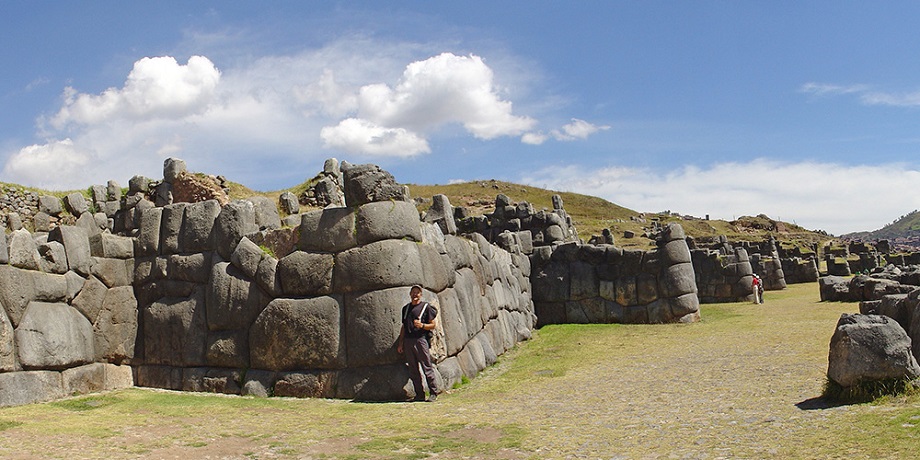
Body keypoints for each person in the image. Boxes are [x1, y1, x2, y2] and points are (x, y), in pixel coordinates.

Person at [397, 285, 442, 402]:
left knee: (426, 367)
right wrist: (401, 343)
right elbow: (404, 327)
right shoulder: (406, 309)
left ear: (421, 294)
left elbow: (433, 325)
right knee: (413, 369)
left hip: (420, 340)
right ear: (410, 294)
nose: (415, 294)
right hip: (408, 341)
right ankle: (419, 395)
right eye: (413, 292)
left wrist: (422, 326)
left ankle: (433, 392)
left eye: (417, 292)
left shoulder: (426, 307)